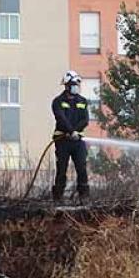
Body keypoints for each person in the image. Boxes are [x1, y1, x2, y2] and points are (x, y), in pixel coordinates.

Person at [52, 70, 90, 201]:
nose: (76, 87)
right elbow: (61, 118)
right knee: (61, 169)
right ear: (67, 85)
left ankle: (84, 197)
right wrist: (70, 131)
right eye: (73, 84)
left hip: (77, 142)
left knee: (82, 167)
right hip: (62, 140)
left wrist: (76, 132)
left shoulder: (83, 101)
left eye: (77, 85)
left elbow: (85, 120)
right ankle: (58, 197)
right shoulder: (58, 101)